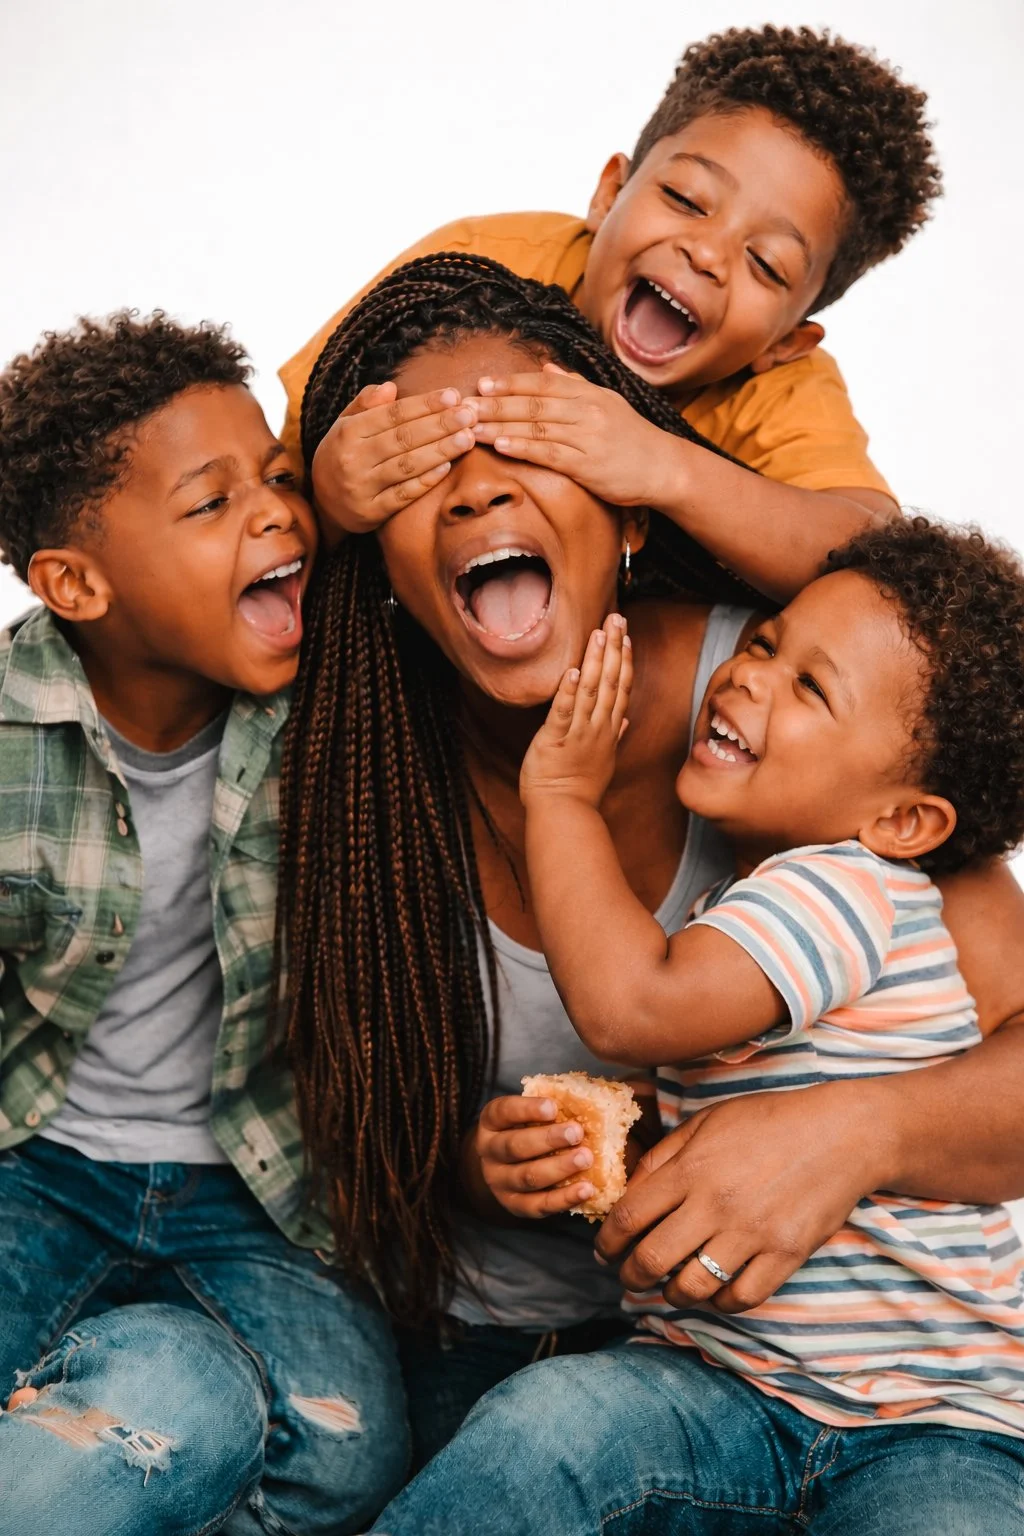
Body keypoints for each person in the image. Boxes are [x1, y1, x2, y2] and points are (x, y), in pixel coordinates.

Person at [280, 255, 1024, 1472]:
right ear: (372, 552)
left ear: (626, 506)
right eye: (422, 470)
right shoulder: (342, 758)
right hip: (522, 1361)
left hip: (882, 1396)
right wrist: (477, 1164)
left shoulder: (795, 724)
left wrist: (847, 1132)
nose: (476, 497)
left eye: (526, 445)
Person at [366, 519, 1024, 1533]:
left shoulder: (842, 890)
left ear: (903, 821)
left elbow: (632, 1008)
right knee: (542, 1425)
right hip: (721, 1380)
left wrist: (560, 800)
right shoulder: (765, 899)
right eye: (763, 644)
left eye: (811, 688)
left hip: (926, 1422)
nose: (748, 678)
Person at [0, 313, 406, 1536]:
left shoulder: (336, 708)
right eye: (211, 504)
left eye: (277, 479)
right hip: (39, 1168)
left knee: (351, 1452)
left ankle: (131, 1397)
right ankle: (143, 1402)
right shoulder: (9, 742)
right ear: (78, 584)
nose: (278, 515)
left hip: (254, 1188)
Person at [280, 25, 941, 598]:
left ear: (787, 342)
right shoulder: (473, 267)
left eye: (765, 264)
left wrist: (664, 467)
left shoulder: (781, 392)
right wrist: (332, 500)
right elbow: (283, 469)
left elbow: (876, 560)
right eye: (685, 198)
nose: (707, 254)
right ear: (608, 193)